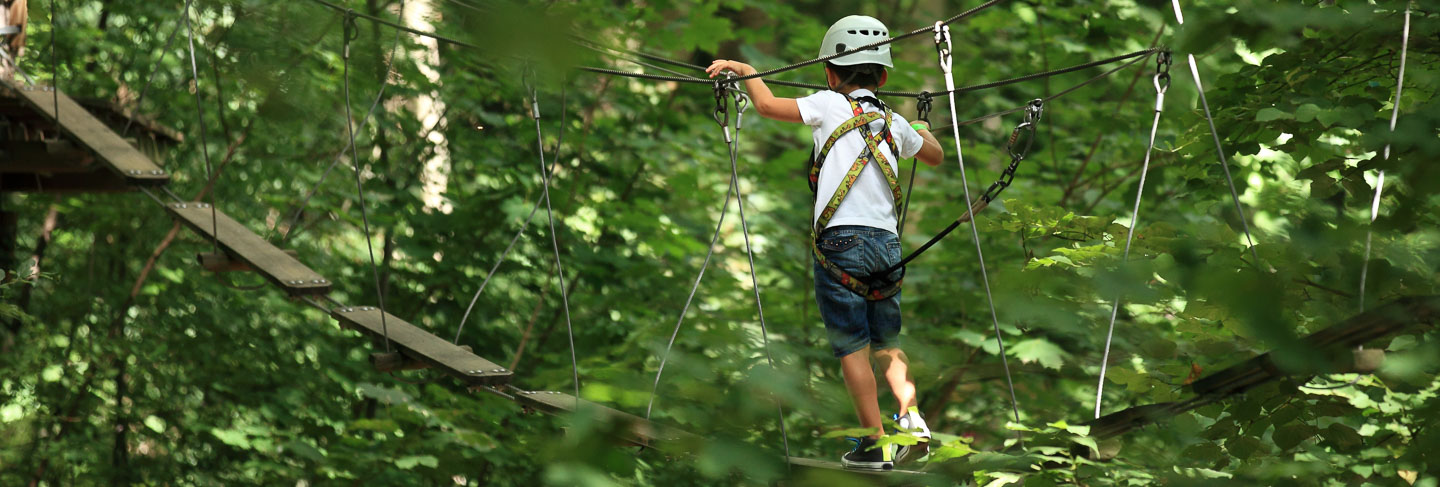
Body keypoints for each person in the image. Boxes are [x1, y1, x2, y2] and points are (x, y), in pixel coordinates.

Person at [706, 14, 944, 471]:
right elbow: (932, 156)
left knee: (852, 345)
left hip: (841, 246)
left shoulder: (827, 104)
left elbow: (769, 106)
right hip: (888, 249)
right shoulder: (895, 122)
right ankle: (911, 416)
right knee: (886, 340)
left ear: (831, 75)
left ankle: (875, 443)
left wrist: (743, 68)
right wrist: (923, 129)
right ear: (885, 76)